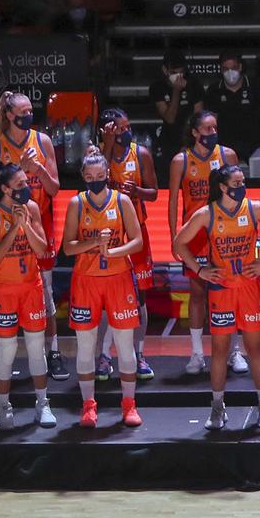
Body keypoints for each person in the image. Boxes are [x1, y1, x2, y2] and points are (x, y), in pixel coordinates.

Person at [174, 165, 260, 431]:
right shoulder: (207, 214)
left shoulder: (256, 208)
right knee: (219, 351)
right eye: (236, 183)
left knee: (254, 350)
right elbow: (178, 243)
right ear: (223, 187)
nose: (242, 187)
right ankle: (217, 408)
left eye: (243, 182)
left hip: (249, 288)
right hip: (221, 290)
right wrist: (201, 270)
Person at [0, 92, 65, 380]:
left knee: (46, 295)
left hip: (39, 225)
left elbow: (54, 189)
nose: (29, 115)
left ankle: (53, 352)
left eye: (31, 110)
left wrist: (37, 169)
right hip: (7, 228)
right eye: (23, 111)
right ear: (8, 114)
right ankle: (2, 354)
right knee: (6, 292)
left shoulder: (42, 141)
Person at [61, 150, 147, 430]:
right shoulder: (77, 203)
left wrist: (113, 251)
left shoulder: (122, 201)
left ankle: (129, 404)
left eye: (100, 176)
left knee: (124, 345)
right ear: (83, 178)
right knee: (86, 347)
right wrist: (95, 244)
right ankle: (88, 407)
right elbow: (68, 247)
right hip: (86, 280)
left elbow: (137, 241)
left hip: (119, 278)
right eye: (89, 177)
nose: (95, 181)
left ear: (108, 176)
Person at [0, 163, 55, 429]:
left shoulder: (32, 208)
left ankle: (42, 404)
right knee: (7, 349)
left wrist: (26, 223)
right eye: (21, 184)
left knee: (37, 347)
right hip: (5, 289)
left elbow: (42, 249)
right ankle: (4, 407)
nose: (27, 188)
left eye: (27, 182)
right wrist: (14, 227)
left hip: (31, 287)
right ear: (5, 188)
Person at [166, 112, 238, 375]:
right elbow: (174, 200)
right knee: (197, 295)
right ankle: (197, 354)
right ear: (195, 132)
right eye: (207, 128)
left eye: (215, 127)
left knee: (229, 292)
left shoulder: (227, 155)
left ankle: (234, 352)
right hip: (195, 235)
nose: (212, 132)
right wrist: (174, 237)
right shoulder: (180, 161)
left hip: (224, 232)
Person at [95, 108, 157, 383]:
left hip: (136, 233)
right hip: (108, 234)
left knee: (140, 297)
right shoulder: (94, 154)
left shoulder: (140, 153)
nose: (126, 131)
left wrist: (137, 192)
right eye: (120, 127)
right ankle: (105, 356)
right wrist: (106, 146)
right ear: (107, 130)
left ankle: (139, 353)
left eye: (128, 126)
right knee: (108, 301)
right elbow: (94, 185)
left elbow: (154, 193)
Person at [197, 54, 260, 161]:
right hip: (225, 150)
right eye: (226, 69)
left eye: (233, 68)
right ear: (221, 69)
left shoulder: (256, 86)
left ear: (240, 67)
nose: (230, 72)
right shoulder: (214, 90)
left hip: (254, 148)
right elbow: (210, 124)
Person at [150, 52, 196, 172]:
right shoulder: (157, 87)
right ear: (165, 70)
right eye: (174, 73)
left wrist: (189, 144)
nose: (178, 76)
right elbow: (170, 118)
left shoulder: (194, 85)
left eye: (181, 72)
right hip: (168, 139)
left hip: (191, 139)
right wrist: (176, 91)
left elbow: (198, 118)